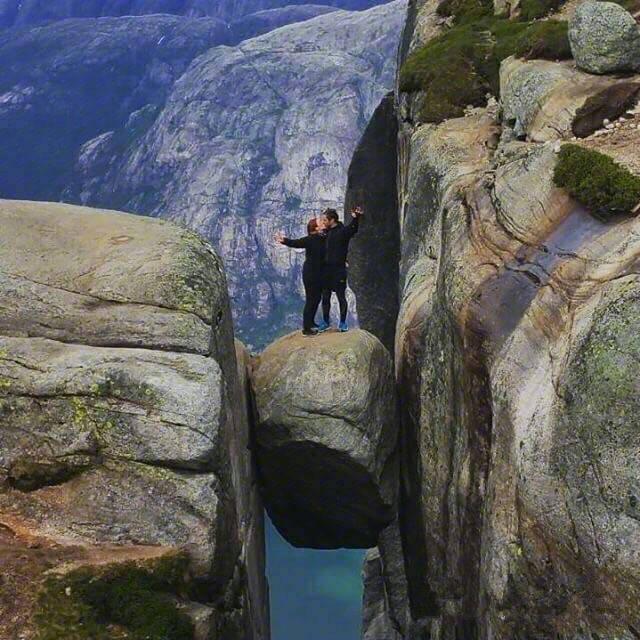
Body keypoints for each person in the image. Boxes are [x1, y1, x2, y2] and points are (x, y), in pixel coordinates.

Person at [275, 217, 327, 336]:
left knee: (317, 298)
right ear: (315, 228)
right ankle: (306, 328)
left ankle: (312, 322)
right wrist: (284, 240)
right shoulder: (310, 239)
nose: (323, 222)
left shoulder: (323, 237)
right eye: (320, 222)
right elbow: (296, 243)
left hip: (319, 273)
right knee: (311, 299)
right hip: (310, 274)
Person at [318, 206, 363, 333]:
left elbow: (353, 229)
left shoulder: (342, 232)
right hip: (327, 270)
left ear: (332, 220)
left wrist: (356, 217)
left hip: (339, 270)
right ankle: (326, 322)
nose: (324, 223)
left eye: (325, 220)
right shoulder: (326, 233)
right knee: (325, 297)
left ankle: (343, 323)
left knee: (341, 297)